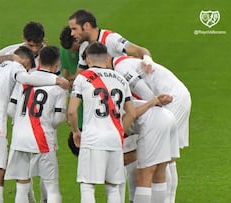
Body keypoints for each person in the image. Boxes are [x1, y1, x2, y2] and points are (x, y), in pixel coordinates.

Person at [0, 41, 69, 203]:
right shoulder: (19, 70)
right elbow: (26, 78)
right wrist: (57, 81)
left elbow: (12, 109)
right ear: (26, 62)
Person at [112, 55, 191, 203]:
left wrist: (155, 101)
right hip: (167, 109)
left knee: (146, 172)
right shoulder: (120, 66)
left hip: (168, 104)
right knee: (163, 162)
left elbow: (141, 102)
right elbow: (142, 50)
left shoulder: (119, 72)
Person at [67, 42, 136, 203]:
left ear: (88, 60)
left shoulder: (82, 78)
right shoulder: (120, 79)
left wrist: (76, 131)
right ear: (107, 59)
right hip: (114, 139)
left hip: (92, 138)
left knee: (88, 185)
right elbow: (131, 113)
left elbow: (71, 111)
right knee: (112, 187)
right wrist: (119, 131)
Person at [5, 46, 67, 203]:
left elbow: (11, 109)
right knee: (50, 183)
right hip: (41, 137)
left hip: (19, 137)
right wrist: (46, 124)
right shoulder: (58, 86)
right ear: (57, 63)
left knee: (22, 184)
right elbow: (59, 118)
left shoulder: (24, 79)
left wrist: (22, 121)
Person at [68, 8, 153, 72]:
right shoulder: (84, 46)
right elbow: (81, 73)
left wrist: (148, 61)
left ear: (87, 26)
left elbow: (139, 50)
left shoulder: (111, 38)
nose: (72, 34)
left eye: (74, 29)